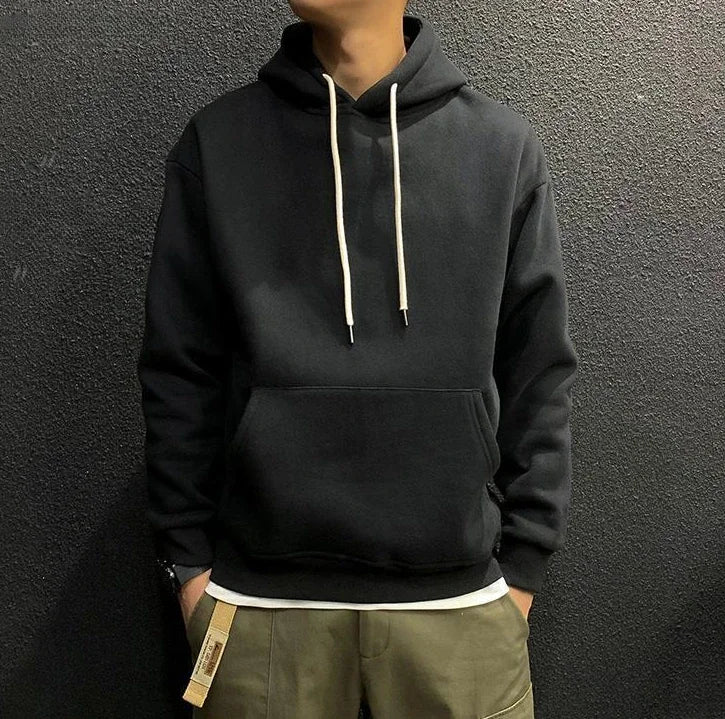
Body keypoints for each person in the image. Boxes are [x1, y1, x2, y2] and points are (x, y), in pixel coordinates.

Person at [136, 1, 578, 717]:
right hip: (259, 610)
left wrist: (522, 568)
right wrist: (188, 565)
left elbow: (540, 374)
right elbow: (178, 369)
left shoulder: (500, 149)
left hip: (460, 608)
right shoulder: (220, 142)